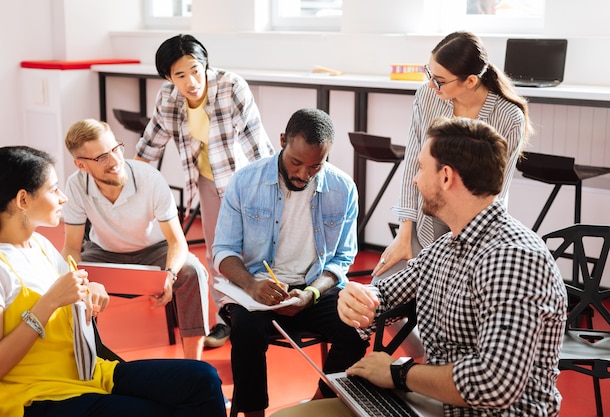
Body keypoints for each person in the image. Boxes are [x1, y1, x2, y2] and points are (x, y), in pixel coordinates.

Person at [271, 117, 567, 417]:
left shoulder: (513, 259)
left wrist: (399, 373)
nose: (414, 179)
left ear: (447, 177)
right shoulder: (445, 246)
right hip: (433, 404)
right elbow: (384, 295)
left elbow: (494, 383)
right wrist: (356, 297)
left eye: (422, 168)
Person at [0, 146, 226, 417]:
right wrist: (49, 302)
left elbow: (74, 294)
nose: (63, 198)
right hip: (37, 395)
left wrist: (92, 289)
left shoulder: (39, 246)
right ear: (23, 200)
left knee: (203, 379)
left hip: (90, 373)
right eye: (53, 190)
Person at [372, 31, 532, 359]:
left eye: (440, 80)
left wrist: (454, 253)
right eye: (428, 73)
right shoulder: (428, 96)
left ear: (471, 80)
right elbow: (413, 164)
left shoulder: (508, 117)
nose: (432, 84)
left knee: (453, 305)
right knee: (382, 284)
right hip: (427, 219)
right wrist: (405, 233)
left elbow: (493, 193)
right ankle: (425, 361)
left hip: (473, 230)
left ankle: (443, 368)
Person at [213, 108, 369, 417]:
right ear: (282, 140)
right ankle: (253, 413)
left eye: (315, 166)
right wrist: (251, 283)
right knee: (245, 331)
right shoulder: (245, 182)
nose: (302, 174)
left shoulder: (343, 188)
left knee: (357, 329)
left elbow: (342, 258)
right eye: (295, 162)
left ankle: (318, 404)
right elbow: (224, 251)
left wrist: (311, 293)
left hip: (315, 289)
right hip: (257, 287)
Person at [136, 33, 275, 349]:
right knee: (219, 252)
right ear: (169, 78)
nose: (191, 81)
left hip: (245, 178)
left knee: (258, 249)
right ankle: (226, 320)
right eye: (180, 75)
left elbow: (258, 142)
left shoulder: (231, 86)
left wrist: (272, 189)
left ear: (205, 65)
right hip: (208, 181)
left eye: (195, 70)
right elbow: (150, 145)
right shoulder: (168, 98)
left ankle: (263, 315)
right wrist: (129, 184)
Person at [61, 119, 209, 360]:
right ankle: (86, 361)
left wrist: (170, 275)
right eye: (101, 158)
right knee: (67, 280)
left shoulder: (149, 178)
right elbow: (71, 247)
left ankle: (195, 365)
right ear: (81, 165)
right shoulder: (76, 185)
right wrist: (72, 279)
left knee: (193, 271)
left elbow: (177, 241)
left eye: (115, 149)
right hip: (104, 252)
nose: (115, 161)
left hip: (154, 249)